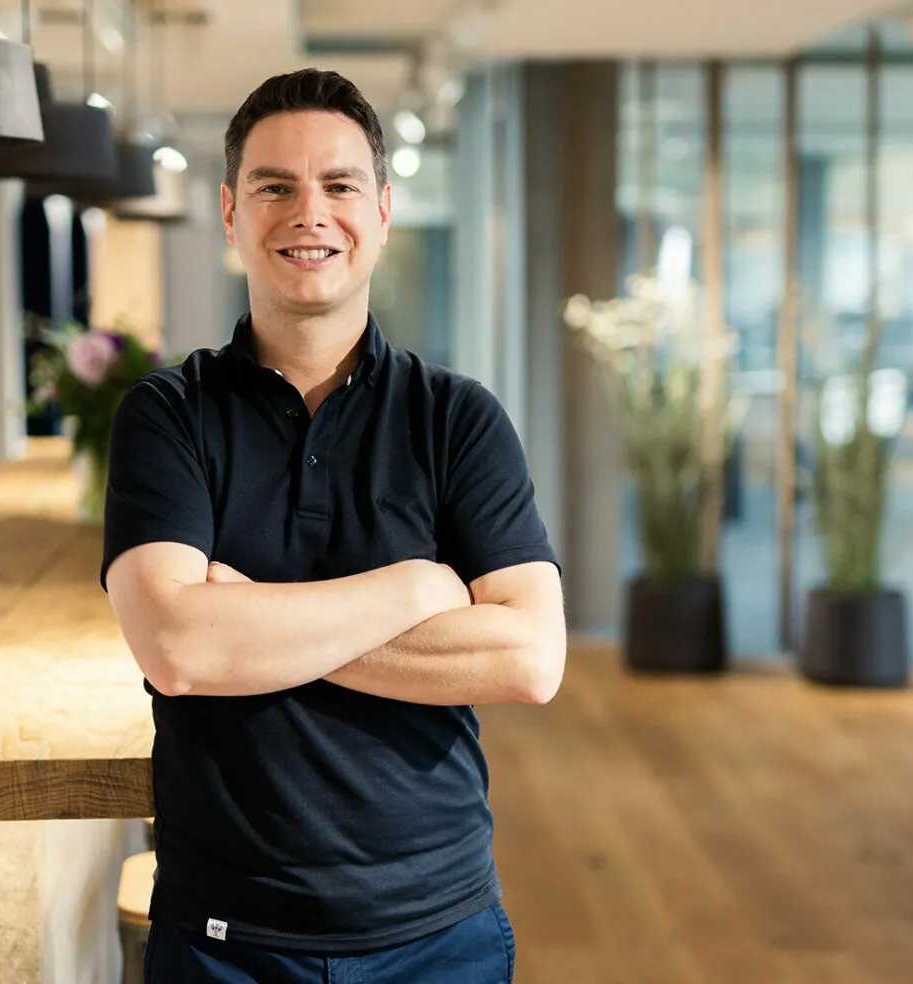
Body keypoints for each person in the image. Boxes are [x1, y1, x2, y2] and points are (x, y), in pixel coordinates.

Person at [101, 67, 566, 984]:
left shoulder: (457, 418)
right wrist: (416, 589)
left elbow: (529, 658)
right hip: (224, 936)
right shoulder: (168, 415)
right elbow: (180, 649)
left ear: (382, 212)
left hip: (439, 933)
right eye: (275, 187)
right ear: (231, 213)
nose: (309, 213)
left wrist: (252, 621)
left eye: (340, 186)